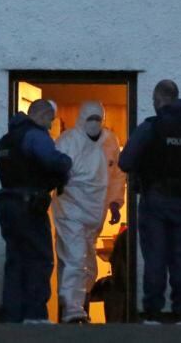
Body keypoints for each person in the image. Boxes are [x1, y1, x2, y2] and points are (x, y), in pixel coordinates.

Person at [118, 80, 181, 324]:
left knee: (155, 257)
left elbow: (125, 161)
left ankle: (152, 312)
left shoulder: (150, 128)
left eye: (154, 100)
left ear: (159, 100)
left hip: (155, 201)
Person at [0, 99, 73, 323]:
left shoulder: (6, 139)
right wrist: (66, 163)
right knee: (40, 257)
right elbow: (52, 160)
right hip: (28, 206)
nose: (50, 126)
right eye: (50, 120)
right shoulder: (35, 135)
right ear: (43, 115)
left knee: (15, 260)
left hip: (6, 203)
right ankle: (35, 315)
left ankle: (13, 316)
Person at [52, 101, 125, 323]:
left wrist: (115, 202)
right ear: (81, 119)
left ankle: (79, 301)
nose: (94, 124)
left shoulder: (110, 141)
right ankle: (73, 309)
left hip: (95, 212)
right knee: (75, 258)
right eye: (90, 119)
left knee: (87, 262)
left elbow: (117, 175)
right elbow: (54, 169)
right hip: (71, 208)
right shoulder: (67, 141)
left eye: (98, 119)